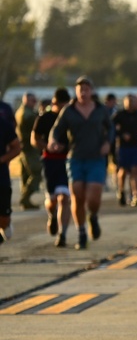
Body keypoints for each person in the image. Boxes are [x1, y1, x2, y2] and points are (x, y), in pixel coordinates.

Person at [48, 77, 114, 251]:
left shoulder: (100, 110)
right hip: (75, 158)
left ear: (91, 91)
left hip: (96, 159)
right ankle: (81, 233)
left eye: (86, 89)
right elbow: (56, 129)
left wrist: (108, 142)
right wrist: (53, 141)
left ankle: (93, 216)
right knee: (77, 194)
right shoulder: (69, 111)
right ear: (76, 92)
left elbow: (111, 128)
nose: (83, 92)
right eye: (80, 89)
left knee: (93, 198)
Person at [31, 88, 72, 246]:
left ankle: (62, 235)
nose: (62, 109)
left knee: (64, 198)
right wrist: (47, 146)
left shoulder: (71, 117)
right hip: (49, 161)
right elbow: (34, 139)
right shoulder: (45, 118)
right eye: (59, 105)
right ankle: (52, 216)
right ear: (53, 103)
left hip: (67, 161)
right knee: (52, 199)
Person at [112, 94, 137, 207]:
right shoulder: (119, 115)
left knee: (135, 170)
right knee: (123, 171)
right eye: (129, 101)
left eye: (133, 101)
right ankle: (121, 192)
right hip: (123, 147)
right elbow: (111, 128)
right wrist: (121, 135)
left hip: (135, 146)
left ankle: (136, 194)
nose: (131, 103)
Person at [14, 92, 40, 210]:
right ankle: (25, 197)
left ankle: (26, 200)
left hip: (23, 147)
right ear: (26, 100)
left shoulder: (20, 112)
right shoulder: (28, 114)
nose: (34, 103)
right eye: (32, 101)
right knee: (36, 172)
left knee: (26, 174)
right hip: (29, 147)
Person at [0, 99, 20, 244]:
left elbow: (16, 147)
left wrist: (2, 159)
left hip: (1, 175)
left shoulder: (4, 125)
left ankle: (5, 223)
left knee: (3, 218)